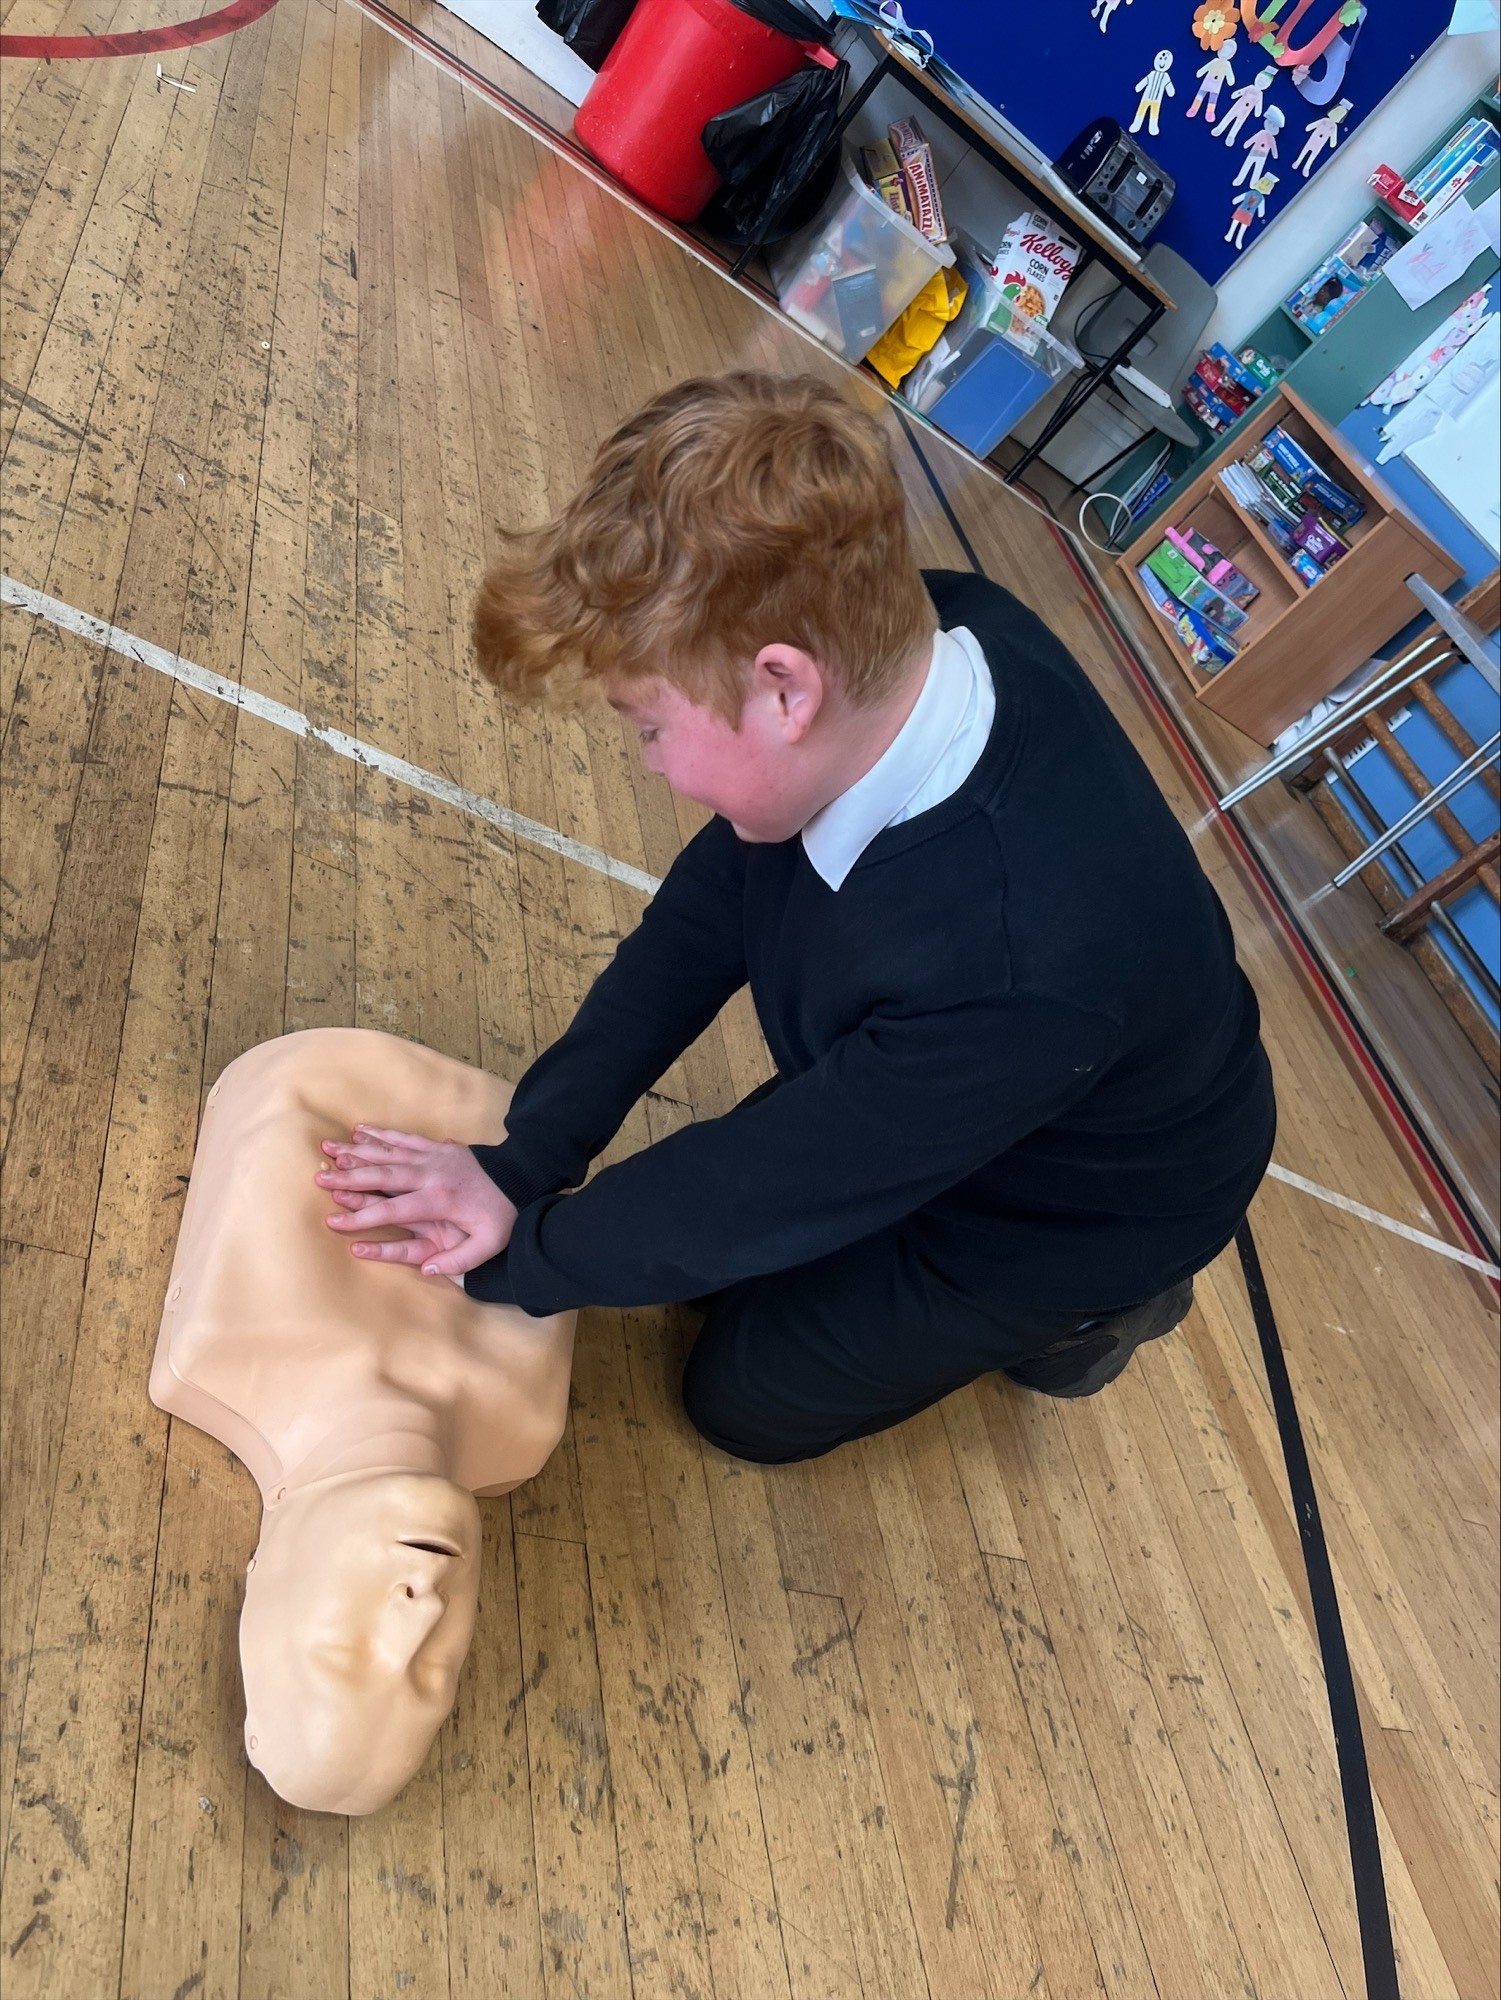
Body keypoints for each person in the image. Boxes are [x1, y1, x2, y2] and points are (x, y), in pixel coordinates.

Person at [316, 373, 1276, 1465]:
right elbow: (702, 922)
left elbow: (757, 1192)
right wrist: (523, 1158)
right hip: (983, 1061)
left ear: (785, 690)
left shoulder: (1018, 975)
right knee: (714, 1258)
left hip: (1081, 1211)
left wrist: (508, 1256)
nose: (650, 764)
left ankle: (1102, 1322)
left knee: (740, 1395)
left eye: (645, 725)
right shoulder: (921, 629)